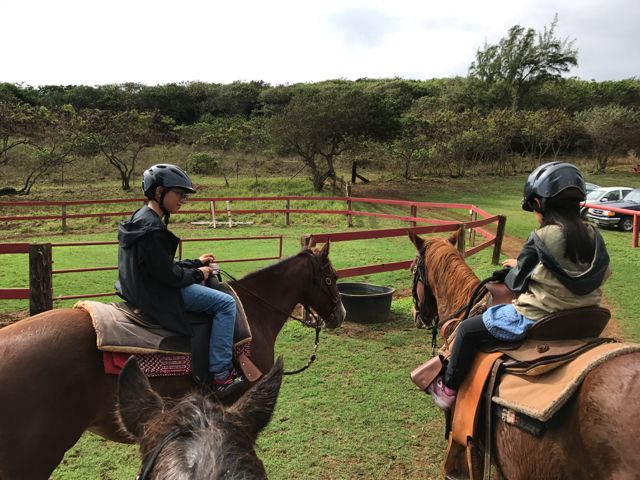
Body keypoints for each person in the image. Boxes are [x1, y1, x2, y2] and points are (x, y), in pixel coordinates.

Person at [428, 162, 611, 410]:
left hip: (541, 316)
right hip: (587, 315)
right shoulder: (594, 235)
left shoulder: (541, 237)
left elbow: (515, 283)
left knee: (467, 330)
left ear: (538, 203)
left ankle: (448, 389)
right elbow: (594, 271)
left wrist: (515, 268)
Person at [116, 163, 246, 398]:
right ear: (159, 192)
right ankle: (221, 374)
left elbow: (160, 265)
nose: (182, 200)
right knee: (225, 304)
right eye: (179, 193)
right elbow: (170, 276)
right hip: (158, 293)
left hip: (142, 288)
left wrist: (195, 262)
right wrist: (200, 274)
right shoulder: (153, 229)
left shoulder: (140, 218)